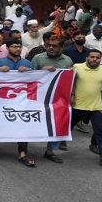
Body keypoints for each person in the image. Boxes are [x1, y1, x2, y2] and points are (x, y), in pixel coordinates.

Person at [0, 39, 37, 167]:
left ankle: (22, 153)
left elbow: (35, 80)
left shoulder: (27, 62)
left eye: (19, 47)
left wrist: (29, 72)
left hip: (21, 101)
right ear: (7, 48)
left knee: (22, 125)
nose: (18, 49)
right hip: (0, 101)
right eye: (14, 46)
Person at [30, 34, 73, 162]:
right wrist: (42, 71)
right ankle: (23, 149)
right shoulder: (38, 58)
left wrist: (72, 95)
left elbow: (71, 80)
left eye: (54, 46)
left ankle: (50, 151)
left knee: (57, 123)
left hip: (59, 98)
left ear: (61, 47)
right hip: (39, 97)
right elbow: (29, 77)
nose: (51, 48)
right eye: (49, 45)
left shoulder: (68, 61)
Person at [71, 49, 102, 168]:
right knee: (66, 128)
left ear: (101, 59)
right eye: (92, 57)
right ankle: (51, 150)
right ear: (87, 58)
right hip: (77, 105)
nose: (94, 59)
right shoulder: (77, 67)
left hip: (96, 106)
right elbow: (71, 82)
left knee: (101, 131)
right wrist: (72, 95)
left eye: (97, 57)